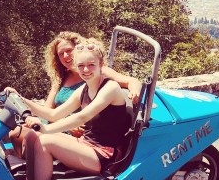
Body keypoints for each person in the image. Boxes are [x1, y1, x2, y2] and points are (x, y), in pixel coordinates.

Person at [9, 38, 133, 180]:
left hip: (103, 155)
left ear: (100, 63)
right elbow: (54, 113)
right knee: (32, 136)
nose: (86, 70)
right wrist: (21, 99)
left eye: (91, 65)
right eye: (81, 66)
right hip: (86, 145)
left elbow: (81, 117)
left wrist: (46, 129)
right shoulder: (85, 88)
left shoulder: (111, 87)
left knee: (45, 141)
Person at [8, 31, 141, 158]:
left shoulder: (97, 71)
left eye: (69, 51)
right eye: (61, 54)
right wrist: (22, 102)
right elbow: (50, 112)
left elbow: (131, 81)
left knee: (32, 138)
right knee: (16, 133)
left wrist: (134, 91)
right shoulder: (61, 79)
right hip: (61, 125)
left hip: (81, 131)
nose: (66, 56)